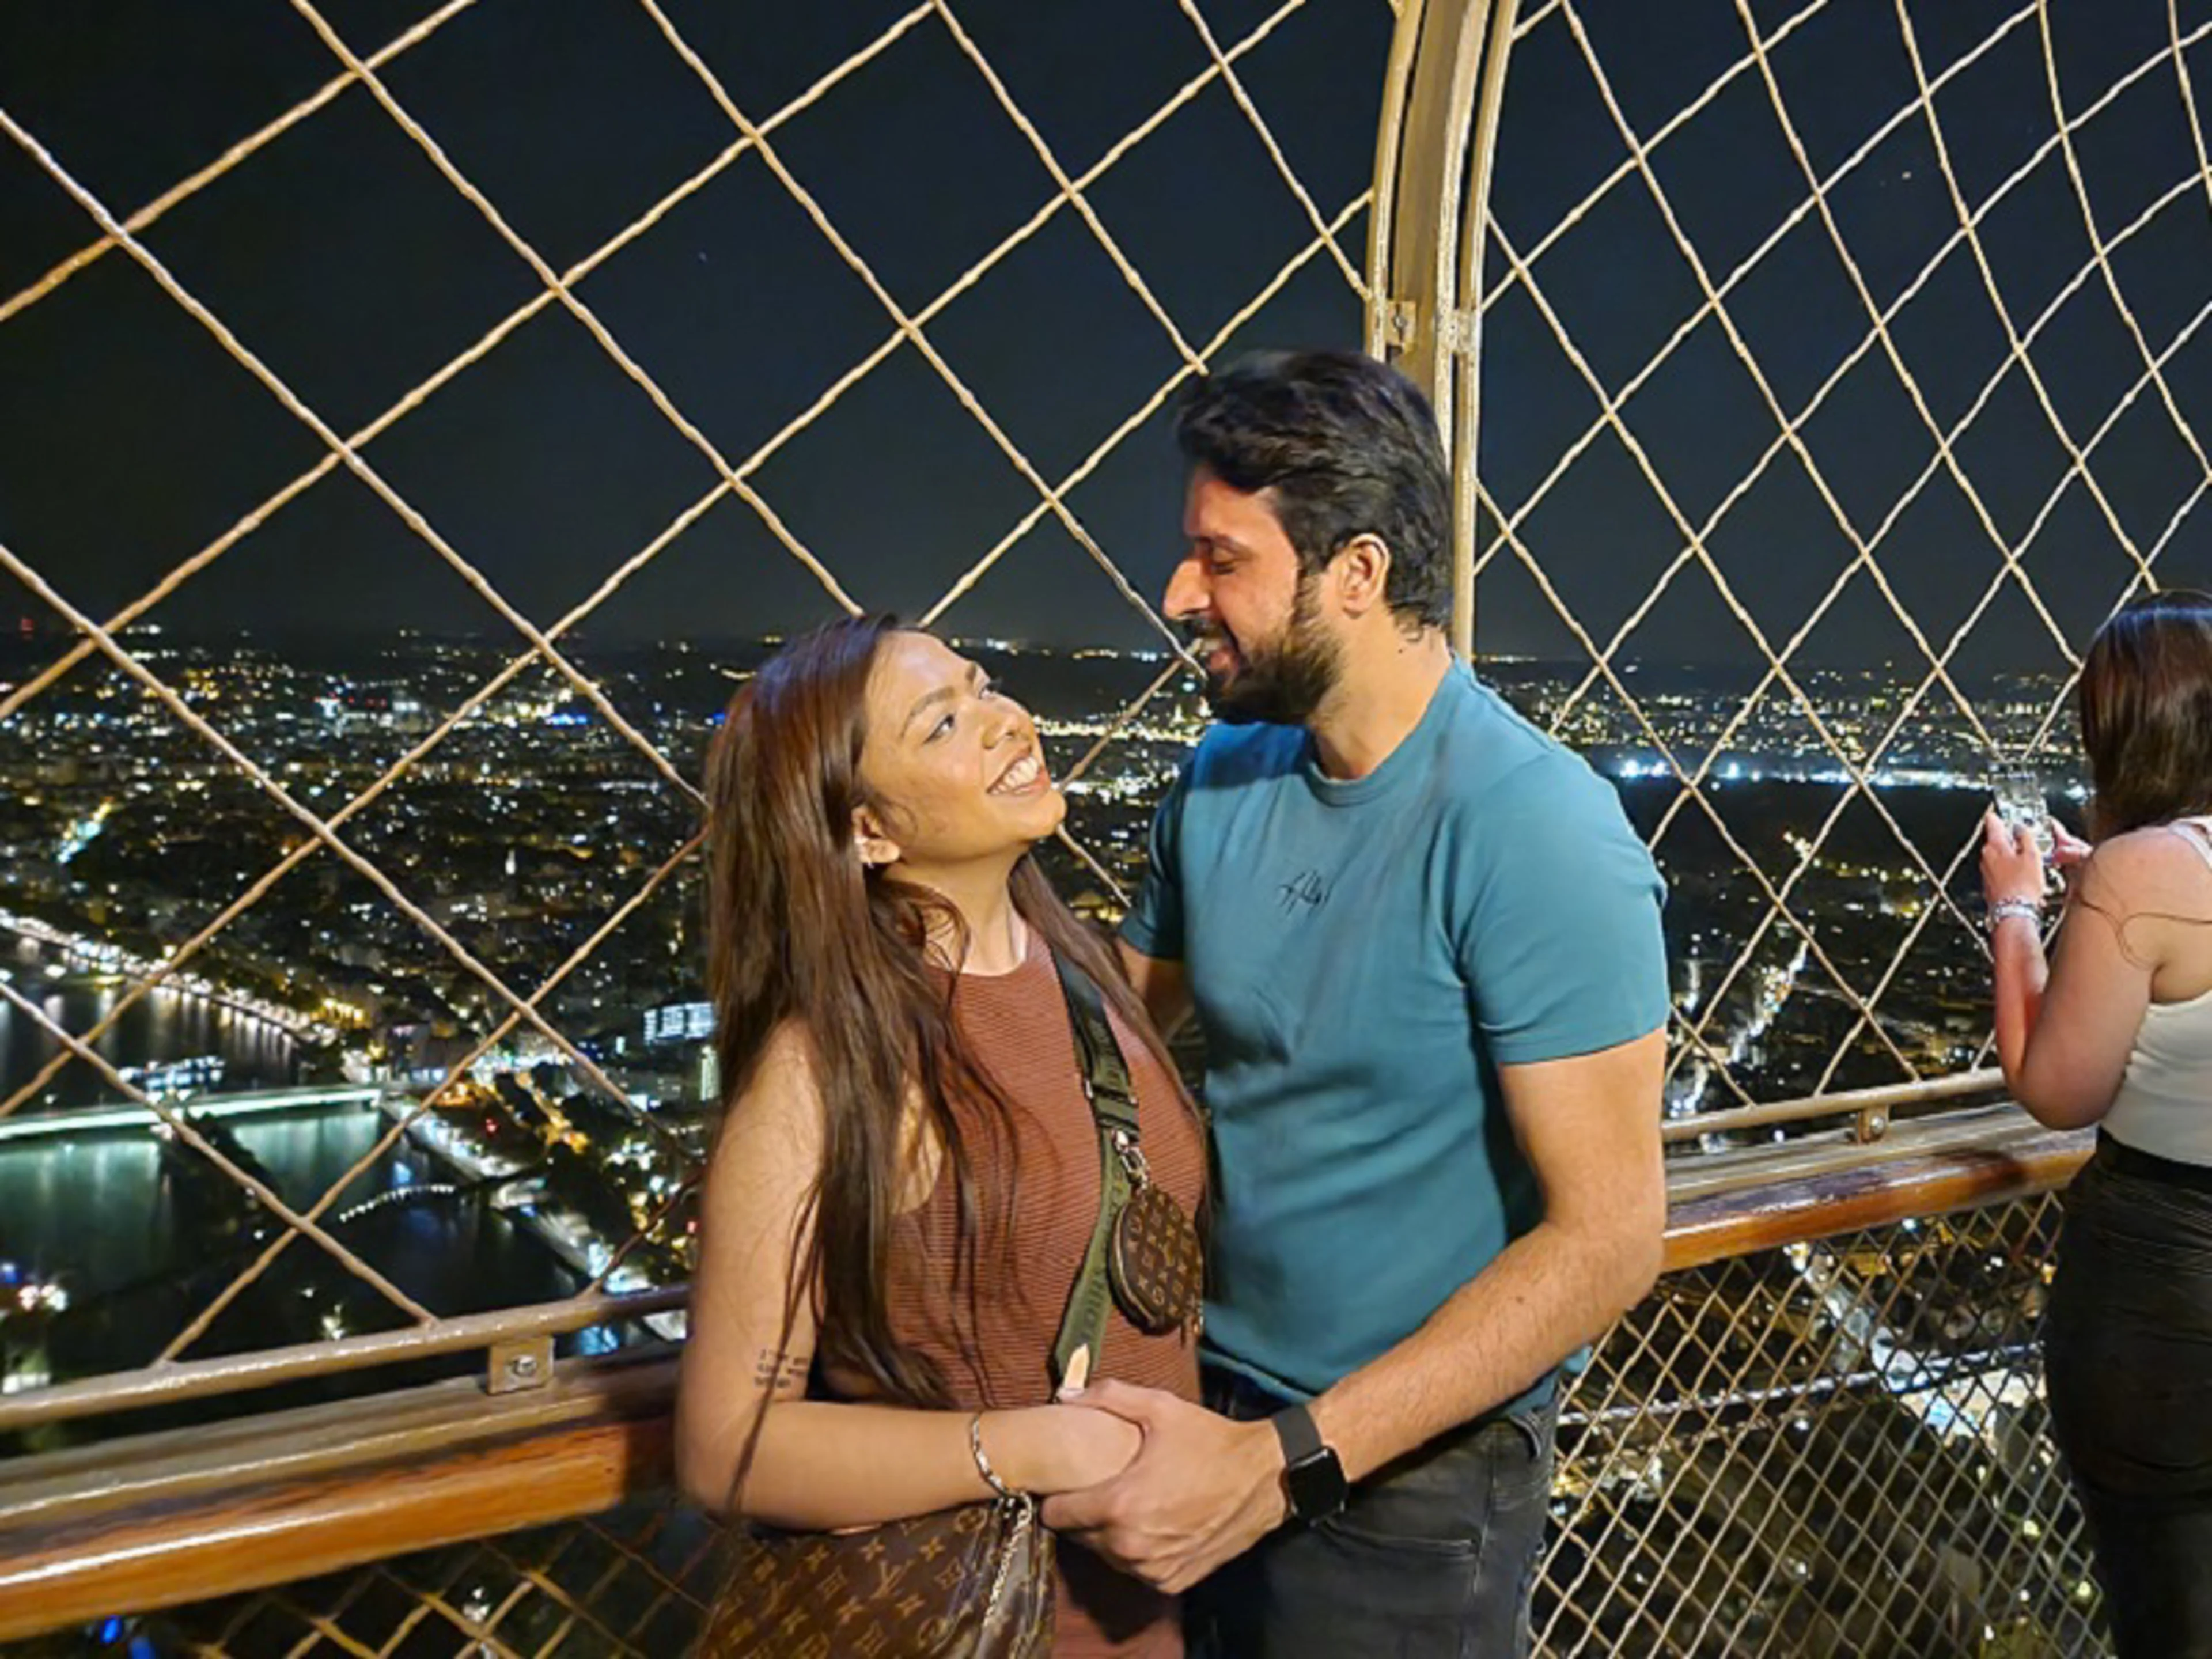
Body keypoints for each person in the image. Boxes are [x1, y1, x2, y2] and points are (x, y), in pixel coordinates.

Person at [1043, 349, 1671, 1657]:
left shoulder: (1535, 829)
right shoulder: (1222, 771)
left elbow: (1609, 1240)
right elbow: (1101, 1055)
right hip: (1193, 1403)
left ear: (1359, 574)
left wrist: (1287, 1465)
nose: (1177, 594)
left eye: (1222, 560)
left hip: (1408, 1472)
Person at [675, 617, 1207, 1657]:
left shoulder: (1090, 979)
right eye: (945, 723)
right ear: (868, 831)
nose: (1006, 720)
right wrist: (1037, 1447)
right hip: (975, 1624)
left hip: (1146, 1618)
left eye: (984, 684)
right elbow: (726, 1442)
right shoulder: (826, 1066)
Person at [1982, 589, 2212, 1656]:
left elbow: (2054, 1088)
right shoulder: (2158, 876)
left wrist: (2019, 910)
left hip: (2163, 1295)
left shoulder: (2144, 875)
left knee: (2167, 1601)